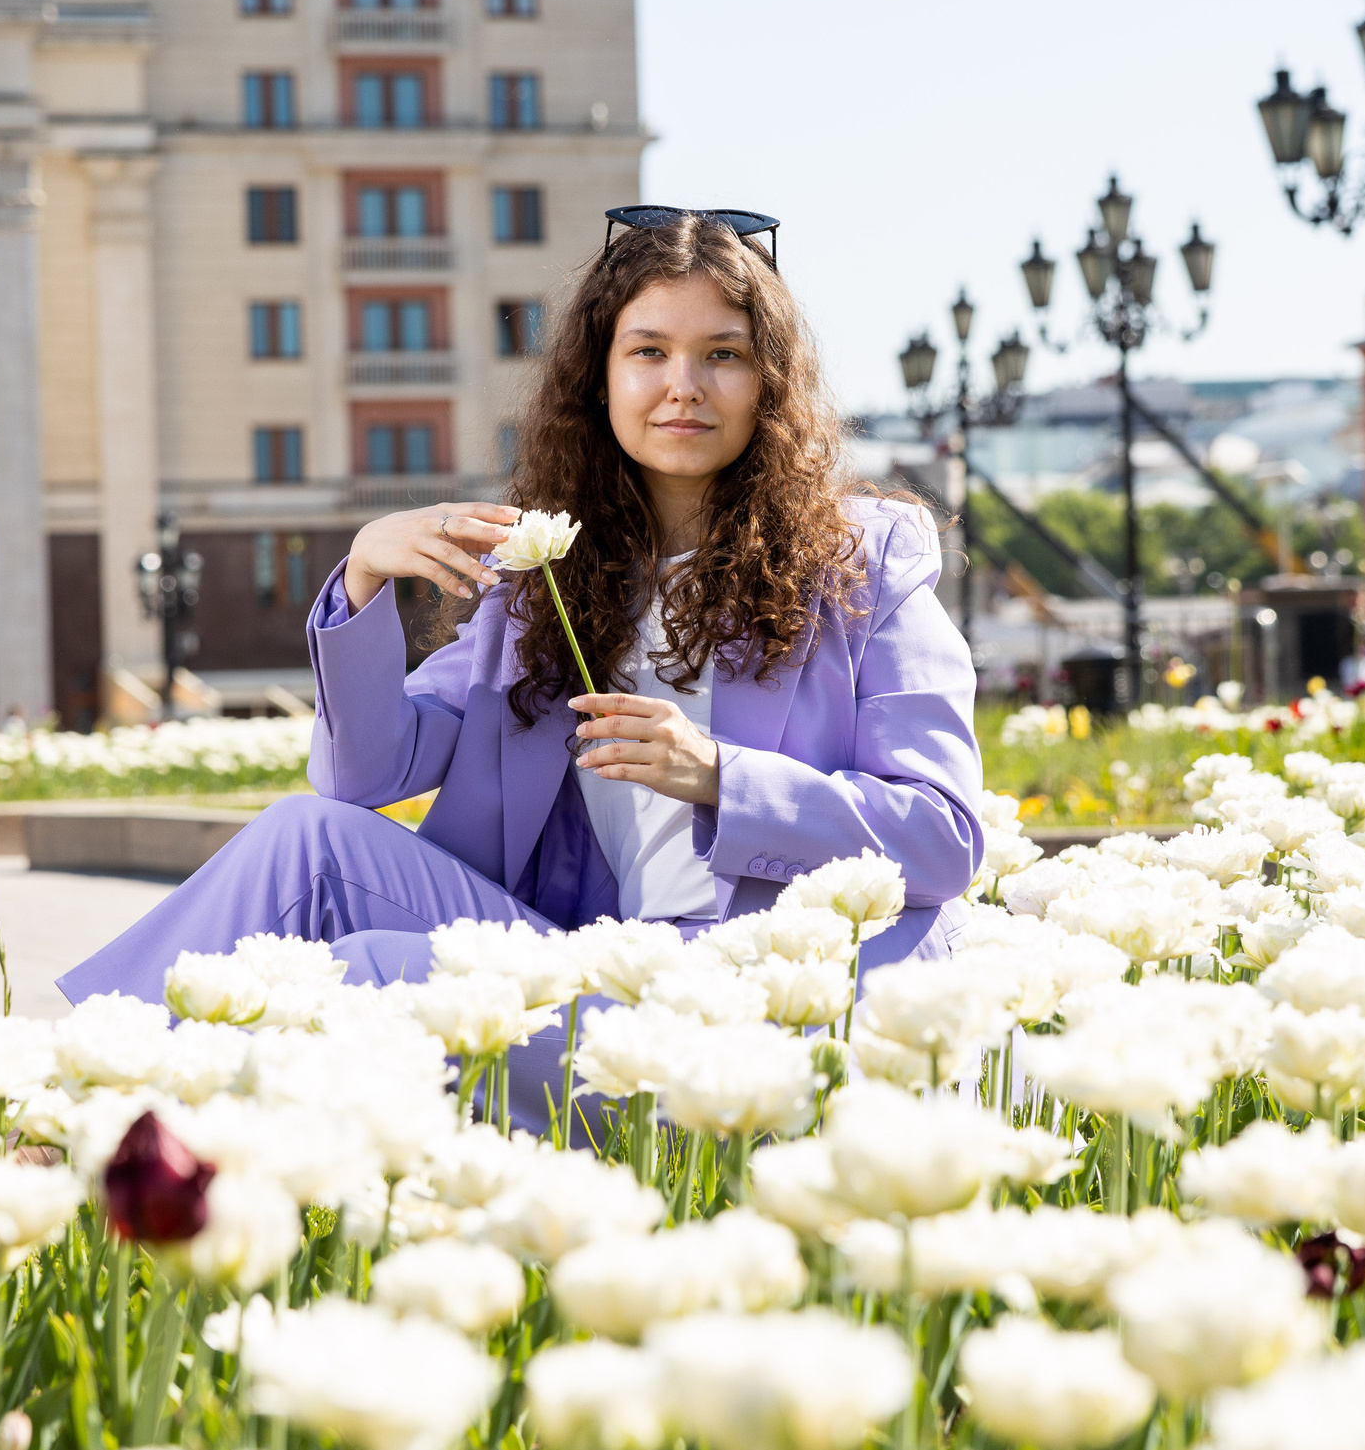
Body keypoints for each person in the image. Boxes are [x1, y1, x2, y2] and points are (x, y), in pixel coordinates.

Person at [58, 209, 983, 1114]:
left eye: (725, 353)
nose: (684, 385)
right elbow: (362, 774)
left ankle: (144, 1148)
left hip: (761, 1001)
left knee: (373, 978)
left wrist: (720, 777)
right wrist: (367, 577)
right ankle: (73, 1092)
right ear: (601, 378)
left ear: (771, 380)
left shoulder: (860, 562)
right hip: (590, 964)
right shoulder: (548, 579)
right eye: (649, 350)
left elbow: (945, 836)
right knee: (305, 840)